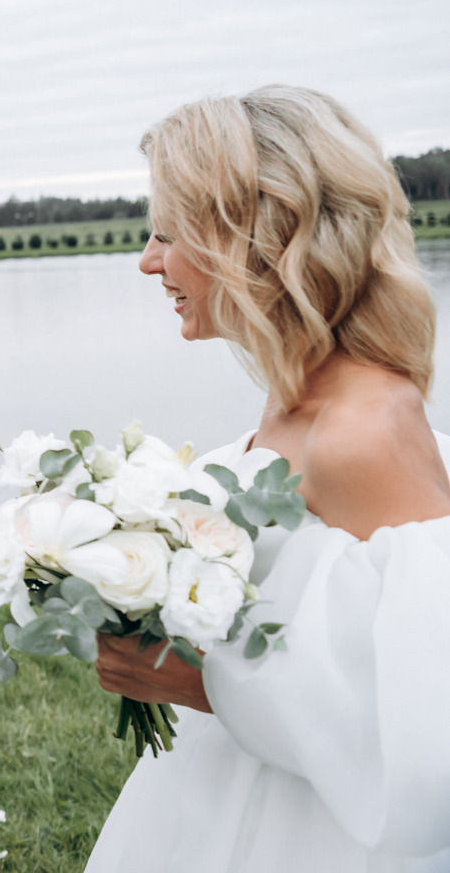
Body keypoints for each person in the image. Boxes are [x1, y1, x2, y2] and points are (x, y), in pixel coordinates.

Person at [87, 86, 450, 871]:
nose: (147, 260)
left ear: (251, 237)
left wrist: (201, 681)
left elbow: (424, 716)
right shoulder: (295, 394)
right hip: (222, 791)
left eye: (164, 233)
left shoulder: (365, 430)